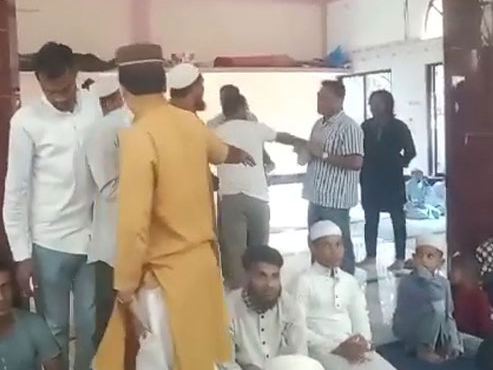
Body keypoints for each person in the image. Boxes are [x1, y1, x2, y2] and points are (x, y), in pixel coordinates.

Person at [94, 43, 255, 370]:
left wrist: (125, 285)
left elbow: (134, 222)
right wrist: (243, 154)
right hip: (203, 269)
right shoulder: (190, 122)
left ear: (124, 91)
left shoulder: (138, 136)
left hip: (165, 283)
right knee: (204, 360)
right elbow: (222, 152)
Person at [3, 42, 101, 370]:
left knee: (91, 326)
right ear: (39, 81)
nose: (59, 98)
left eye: (65, 89)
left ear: (76, 74)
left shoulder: (93, 106)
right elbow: (15, 190)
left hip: (91, 237)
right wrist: (21, 255)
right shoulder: (26, 121)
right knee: (54, 329)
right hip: (48, 242)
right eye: (51, 91)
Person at [214, 91, 305, 287]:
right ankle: (261, 288)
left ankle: (240, 292)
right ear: (243, 107)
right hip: (258, 198)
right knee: (260, 250)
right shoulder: (255, 128)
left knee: (235, 252)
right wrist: (302, 142)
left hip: (230, 198)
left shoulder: (216, 132)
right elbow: (282, 137)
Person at [292, 220, 396, 370]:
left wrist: (363, 342)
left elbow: (360, 318)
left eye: (338, 245)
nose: (334, 251)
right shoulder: (303, 281)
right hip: (322, 351)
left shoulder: (349, 280)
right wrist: (336, 347)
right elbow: (297, 328)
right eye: (327, 245)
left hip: (354, 348)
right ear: (313, 247)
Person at [298, 81, 364, 275]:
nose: (319, 101)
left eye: (324, 97)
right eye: (319, 97)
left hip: (335, 199)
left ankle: (346, 282)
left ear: (338, 100)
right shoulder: (318, 125)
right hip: (315, 195)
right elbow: (314, 152)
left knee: (338, 245)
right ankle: (319, 280)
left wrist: (323, 154)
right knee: (317, 242)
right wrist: (306, 152)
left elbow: (356, 162)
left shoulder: (349, 127)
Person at [85, 75, 132, 342]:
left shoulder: (101, 129)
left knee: (111, 323)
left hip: (113, 246)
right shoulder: (127, 124)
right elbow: (111, 189)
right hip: (123, 243)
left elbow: (108, 188)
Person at [393, 235, 480, 363]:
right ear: (414, 258)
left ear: (440, 262)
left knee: (479, 346)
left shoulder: (444, 283)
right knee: (437, 309)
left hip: (440, 332)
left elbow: (448, 316)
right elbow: (433, 303)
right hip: (413, 333)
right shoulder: (407, 282)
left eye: (430, 256)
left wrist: (453, 341)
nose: (423, 260)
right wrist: (425, 277)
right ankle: (424, 349)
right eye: (420, 256)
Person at [218, 246, 307, 370]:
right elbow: (225, 363)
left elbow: (300, 354)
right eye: (262, 276)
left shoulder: (288, 305)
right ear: (247, 276)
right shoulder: (227, 308)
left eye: (275, 276)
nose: (269, 284)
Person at [358, 90, 416, 271]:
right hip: (370, 178)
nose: (373, 107)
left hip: (392, 179)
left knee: (397, 219)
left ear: (387, 104)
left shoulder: (399, 127)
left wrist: (399, 162)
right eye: (371, 103)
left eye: (377, 103)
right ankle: (370, 256)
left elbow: (410, 151)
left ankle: (400, 257)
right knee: (370, 219)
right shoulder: (365, 126)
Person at [450, 253, 493, 338]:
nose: (450, 272)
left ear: (467, 271)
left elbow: (486, 329)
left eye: (455, 269)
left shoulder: (478, 297)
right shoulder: (451, 292)